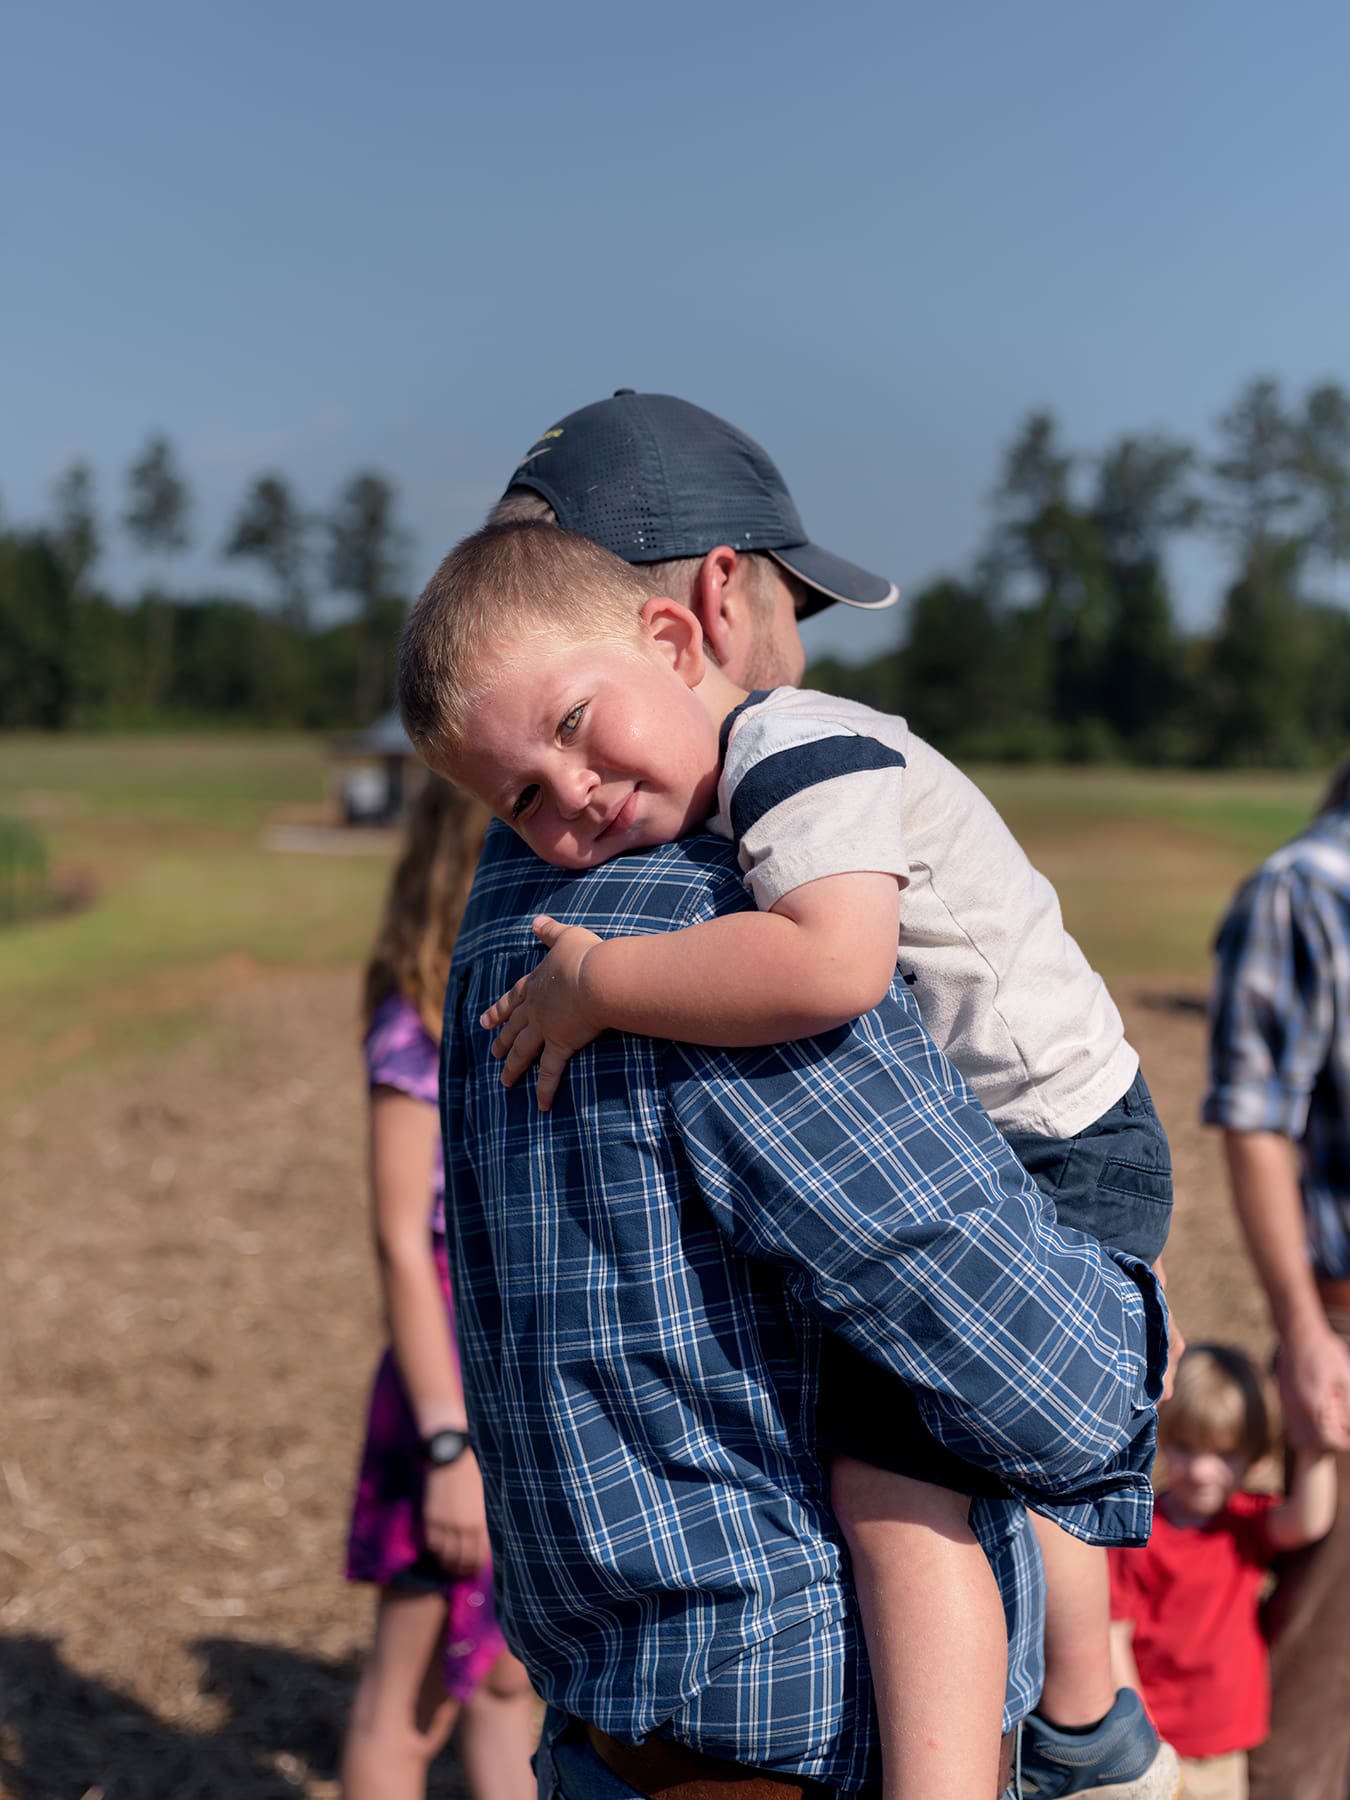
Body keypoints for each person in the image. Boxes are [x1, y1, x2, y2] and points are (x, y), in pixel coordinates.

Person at [401, 512, 1178, 1800]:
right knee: (905, 1498)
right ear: (708, 600)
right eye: (525, 794)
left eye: (578, 737)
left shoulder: (509, 929)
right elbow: (1055, 1388)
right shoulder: (699, 914)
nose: (571, 803)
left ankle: (1080, 1726)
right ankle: (1068, 1741)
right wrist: (1134, 1342)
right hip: (783, 1729)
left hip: (604, 1710)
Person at [340, 776, 537, 1800]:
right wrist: (447, 1444)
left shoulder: (527, 1000)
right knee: (403, 1708)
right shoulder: (414, 1023)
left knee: (511, 1686)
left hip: (528, 1391)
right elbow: (399, 1243)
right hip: (447, 1400)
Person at [1203, 756, 1350, 1800]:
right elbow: (1256, 1126)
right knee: (1317, 1675)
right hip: (1345, 1322)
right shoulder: (1304, 890)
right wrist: (1306, 1336)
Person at [1108, 1344, 1335, 1800]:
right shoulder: (1139, 1528)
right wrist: (1139, 1733)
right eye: (1187, 1448)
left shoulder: (1244, 1523)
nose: (1203, 1470)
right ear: (1164, 1438)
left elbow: (1309, 1520)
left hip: (1226, 1744)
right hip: (1159, 1744)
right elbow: (1114, 1635)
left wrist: (1313, 1448)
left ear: (1254, 1458)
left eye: (1225, 1453)